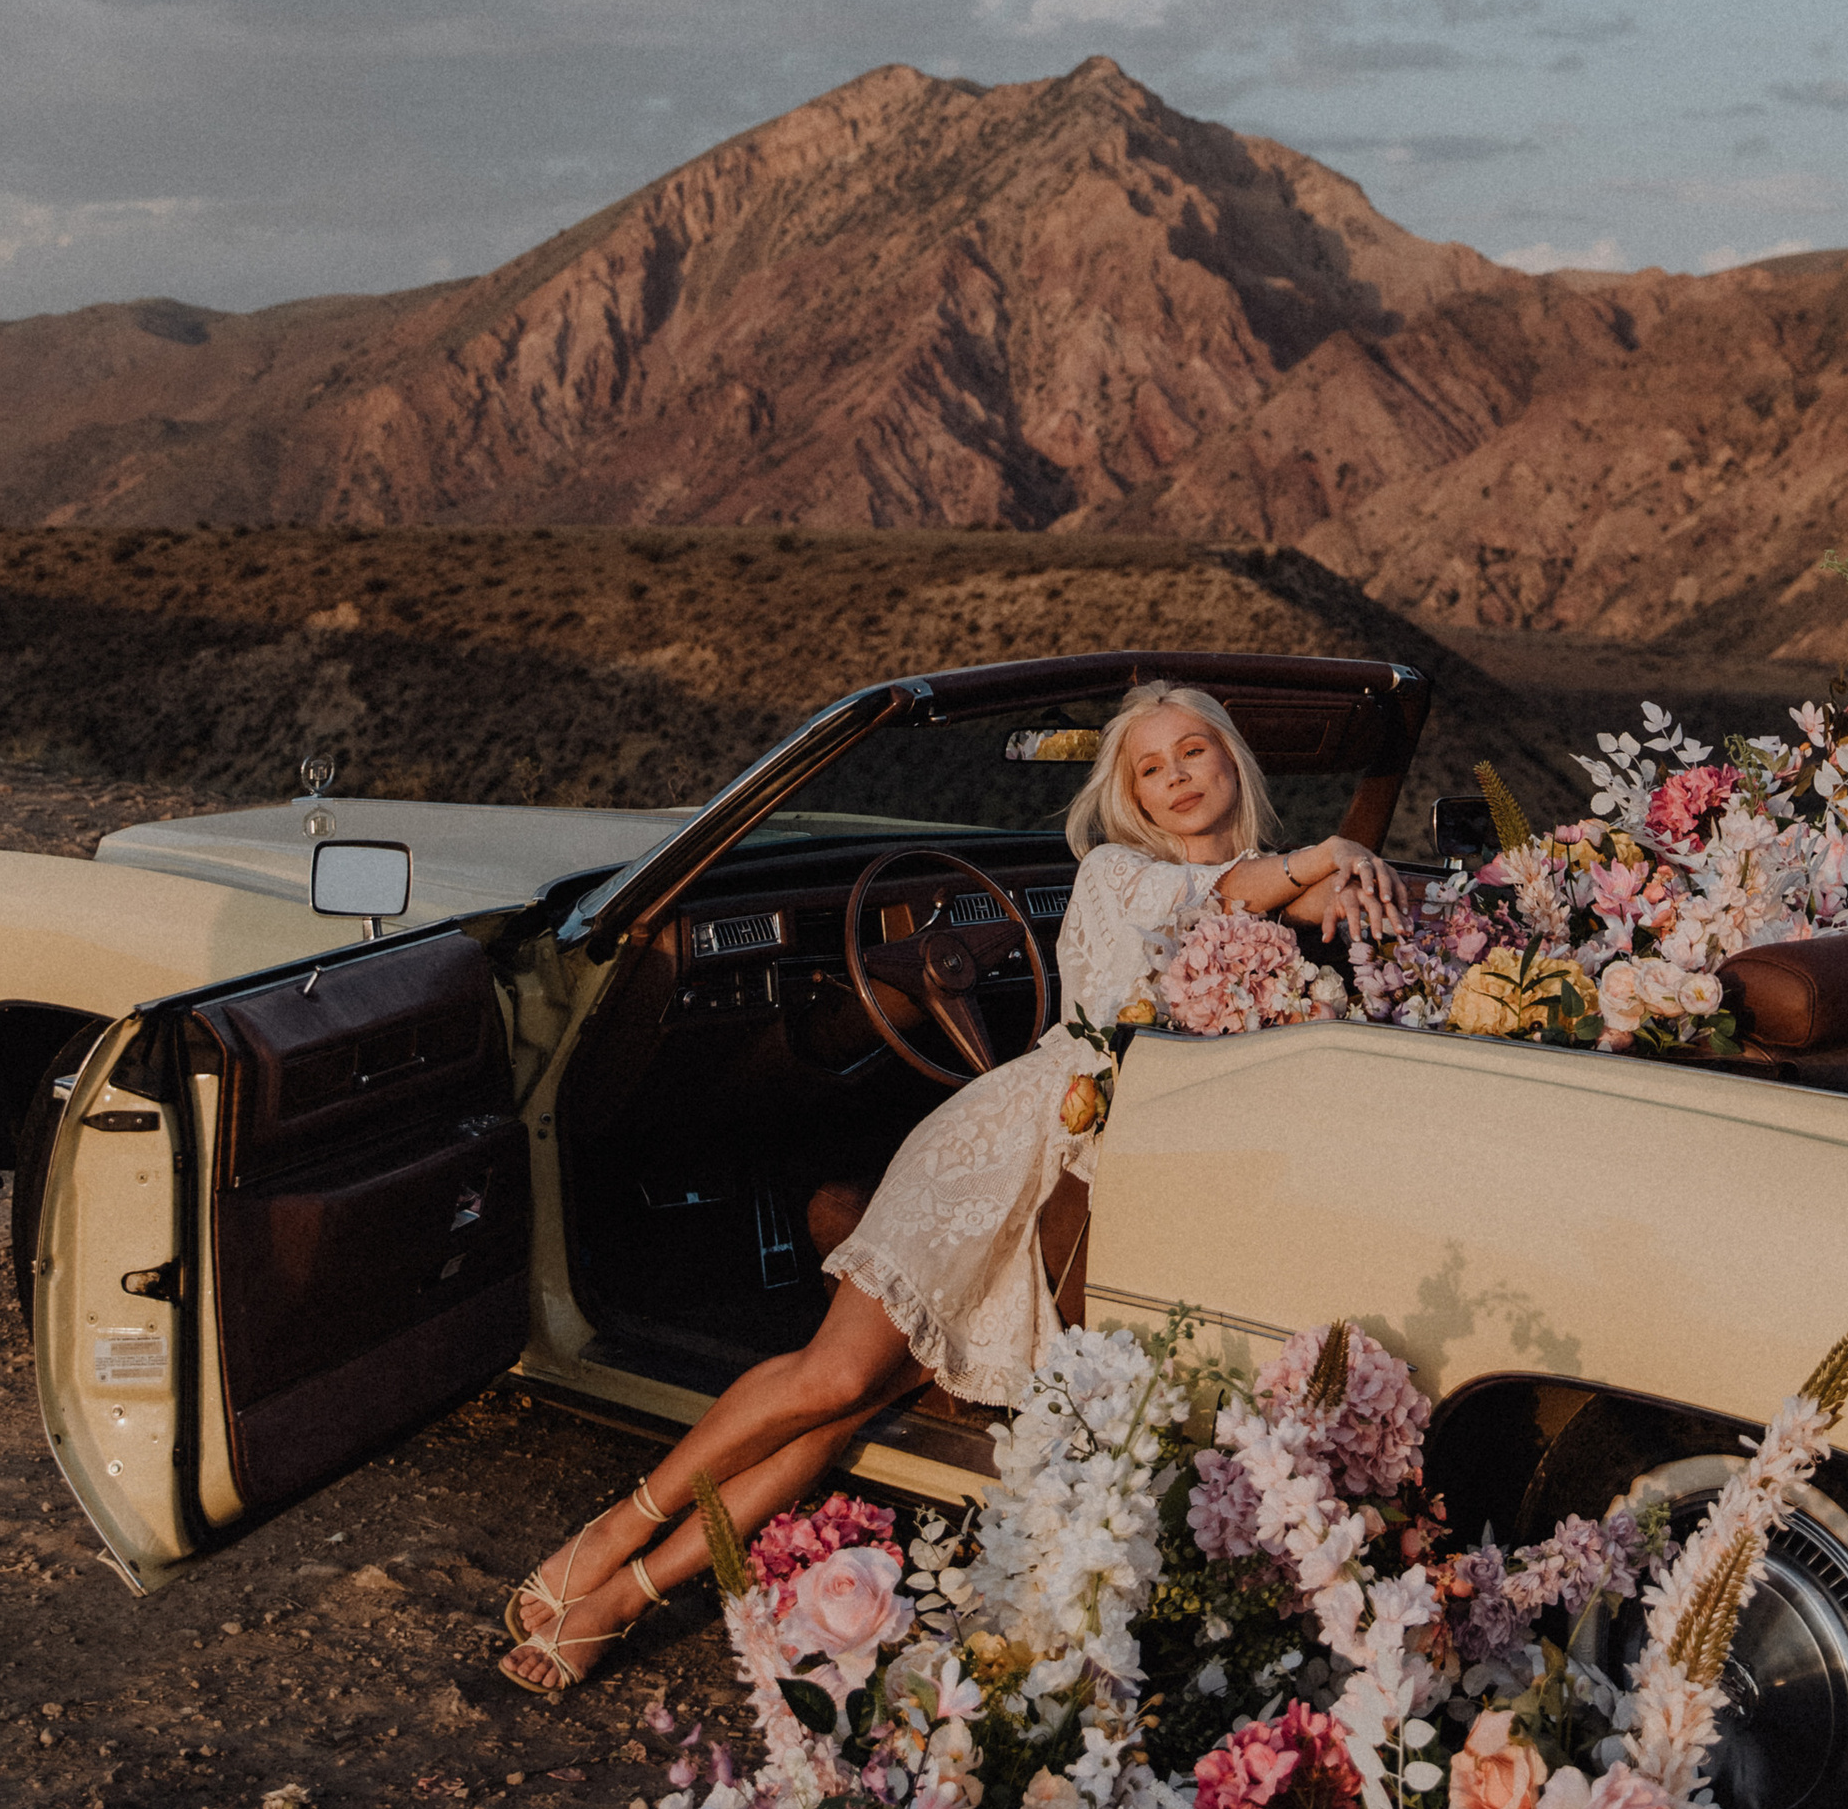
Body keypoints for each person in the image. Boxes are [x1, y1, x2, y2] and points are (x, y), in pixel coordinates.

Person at [498, 678, 1408, 1695]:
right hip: (997, 1154)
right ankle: (601, 1540)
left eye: (1193, 752)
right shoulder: (1119, 874)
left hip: (1089, 1189)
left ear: (1231, 758)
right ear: (1133, 801)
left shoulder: (1273, 886)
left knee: (845, 1417)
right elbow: (1214, 901)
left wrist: (1361, 882)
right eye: (1151, 768)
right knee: (832, 1378)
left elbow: (1323, 911)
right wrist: (1314, 859)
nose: (1176, 778)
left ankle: (622, 1602)